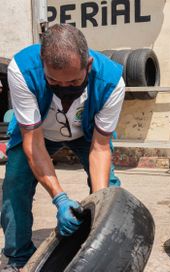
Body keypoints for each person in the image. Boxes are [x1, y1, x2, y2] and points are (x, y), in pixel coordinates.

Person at [1, 24, 125, 271]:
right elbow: (33, 142)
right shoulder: (22, 69)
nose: (64, 88)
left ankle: (104, 244)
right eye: (53, 81)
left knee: (108, 190)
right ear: (42, 63)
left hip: (87, 132)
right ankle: (19, 258)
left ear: (88, 64)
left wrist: (99, 206)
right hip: (38, 132)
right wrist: (60, 198)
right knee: (15, 183)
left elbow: (100, 148)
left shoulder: (111, 82)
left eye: (74, 81)